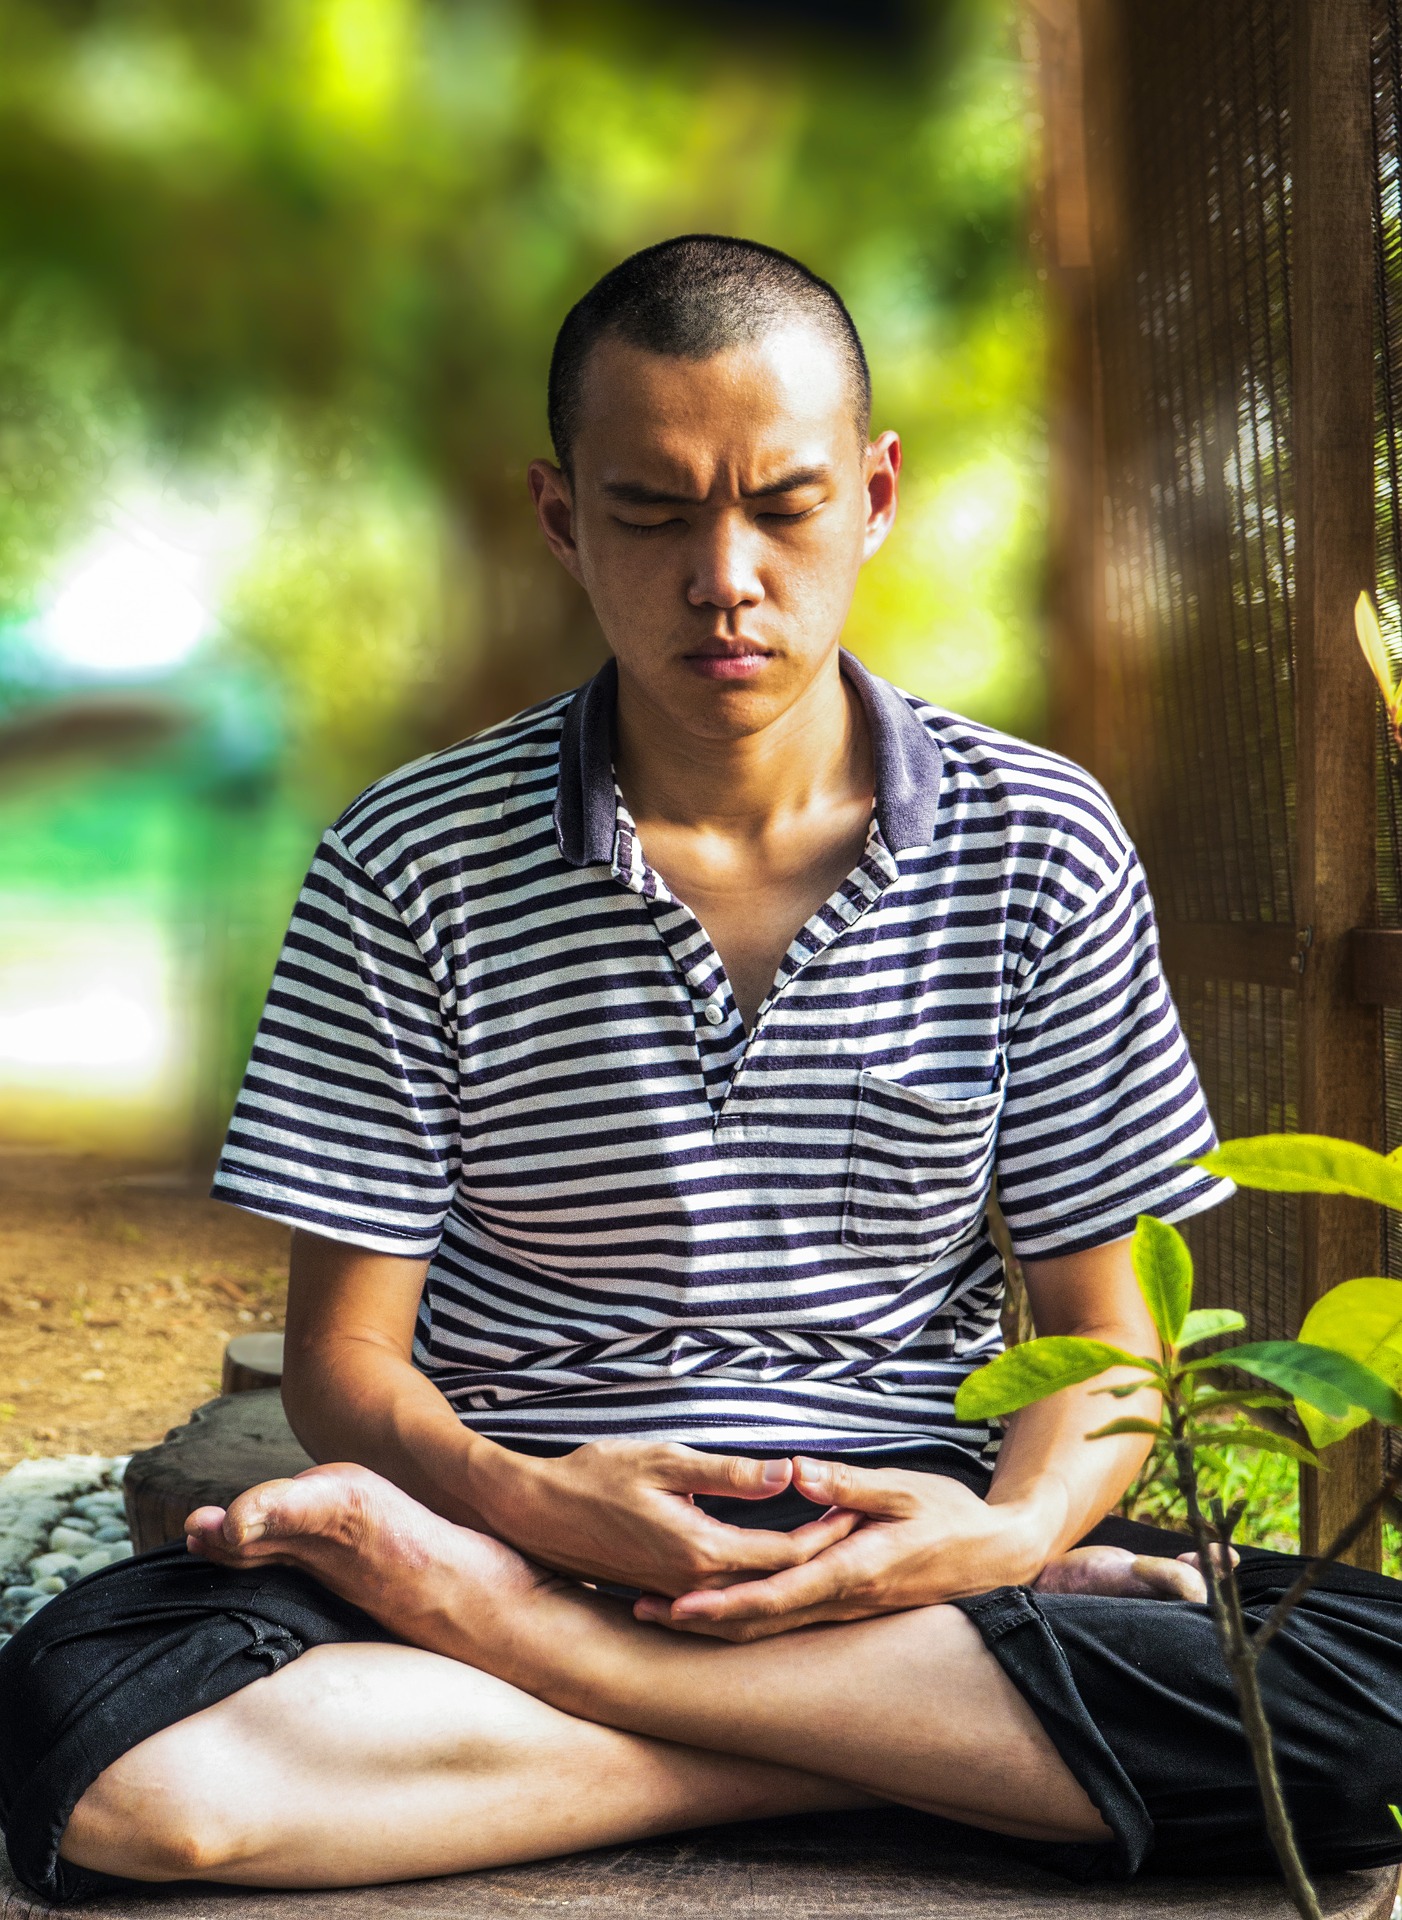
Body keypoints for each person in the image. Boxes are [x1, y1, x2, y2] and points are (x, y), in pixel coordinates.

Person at [4, 236, 1402, 1902]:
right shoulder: (409, 862)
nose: (721, 576)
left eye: (781, 506)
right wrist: (533, 1517)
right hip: (518, 1511)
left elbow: (1108, 1344)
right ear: (560, 519)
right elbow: (349, 1369)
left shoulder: (1038, 841)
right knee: (97, 1748)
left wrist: (1011, 1538)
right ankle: (903, 1758)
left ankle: (542, 1690)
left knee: (1370, 1710)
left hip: (897, 1564)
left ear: (874, 496)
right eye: (653, 512)